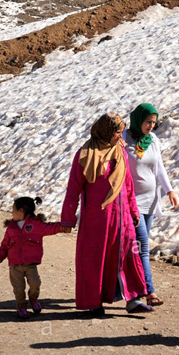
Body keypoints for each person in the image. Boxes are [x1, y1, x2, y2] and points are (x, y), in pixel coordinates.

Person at [61, 112, 153, 315]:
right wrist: (67, 219)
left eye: (121, 132)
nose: (120, 136)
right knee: (94, 260)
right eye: (117, 132)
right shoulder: (85, 155)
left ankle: (133, 300)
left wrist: (133, 211)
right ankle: (93, 303)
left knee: (128, 257)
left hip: (123, 219)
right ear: (105, 132)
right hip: (97, 221)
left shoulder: (120, 153)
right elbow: (73, 189)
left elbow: (128, 185)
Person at [122, 103, 179, 307]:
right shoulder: (123, 140)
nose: (151, 126)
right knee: (142, 247)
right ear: (138, 120)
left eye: (154, 122)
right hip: (132, 202)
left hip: (151, 201)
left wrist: (169, 190)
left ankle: (130, 288)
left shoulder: (152, 139)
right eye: (148, 122)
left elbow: (159, 166)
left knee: (138, 247)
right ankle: (149, 291)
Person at [0, 196, 63, 319]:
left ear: (21, 211)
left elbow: (50, 228)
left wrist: (64, 226)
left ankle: (33, 299)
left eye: (13, 209)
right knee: (18, 289)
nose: (12, 213)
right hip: (15, 266)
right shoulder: (11, 228)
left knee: (35, 284)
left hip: (30, 265)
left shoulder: (36, 225)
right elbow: (5, 244)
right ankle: (21, 307)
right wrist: (0, 256)